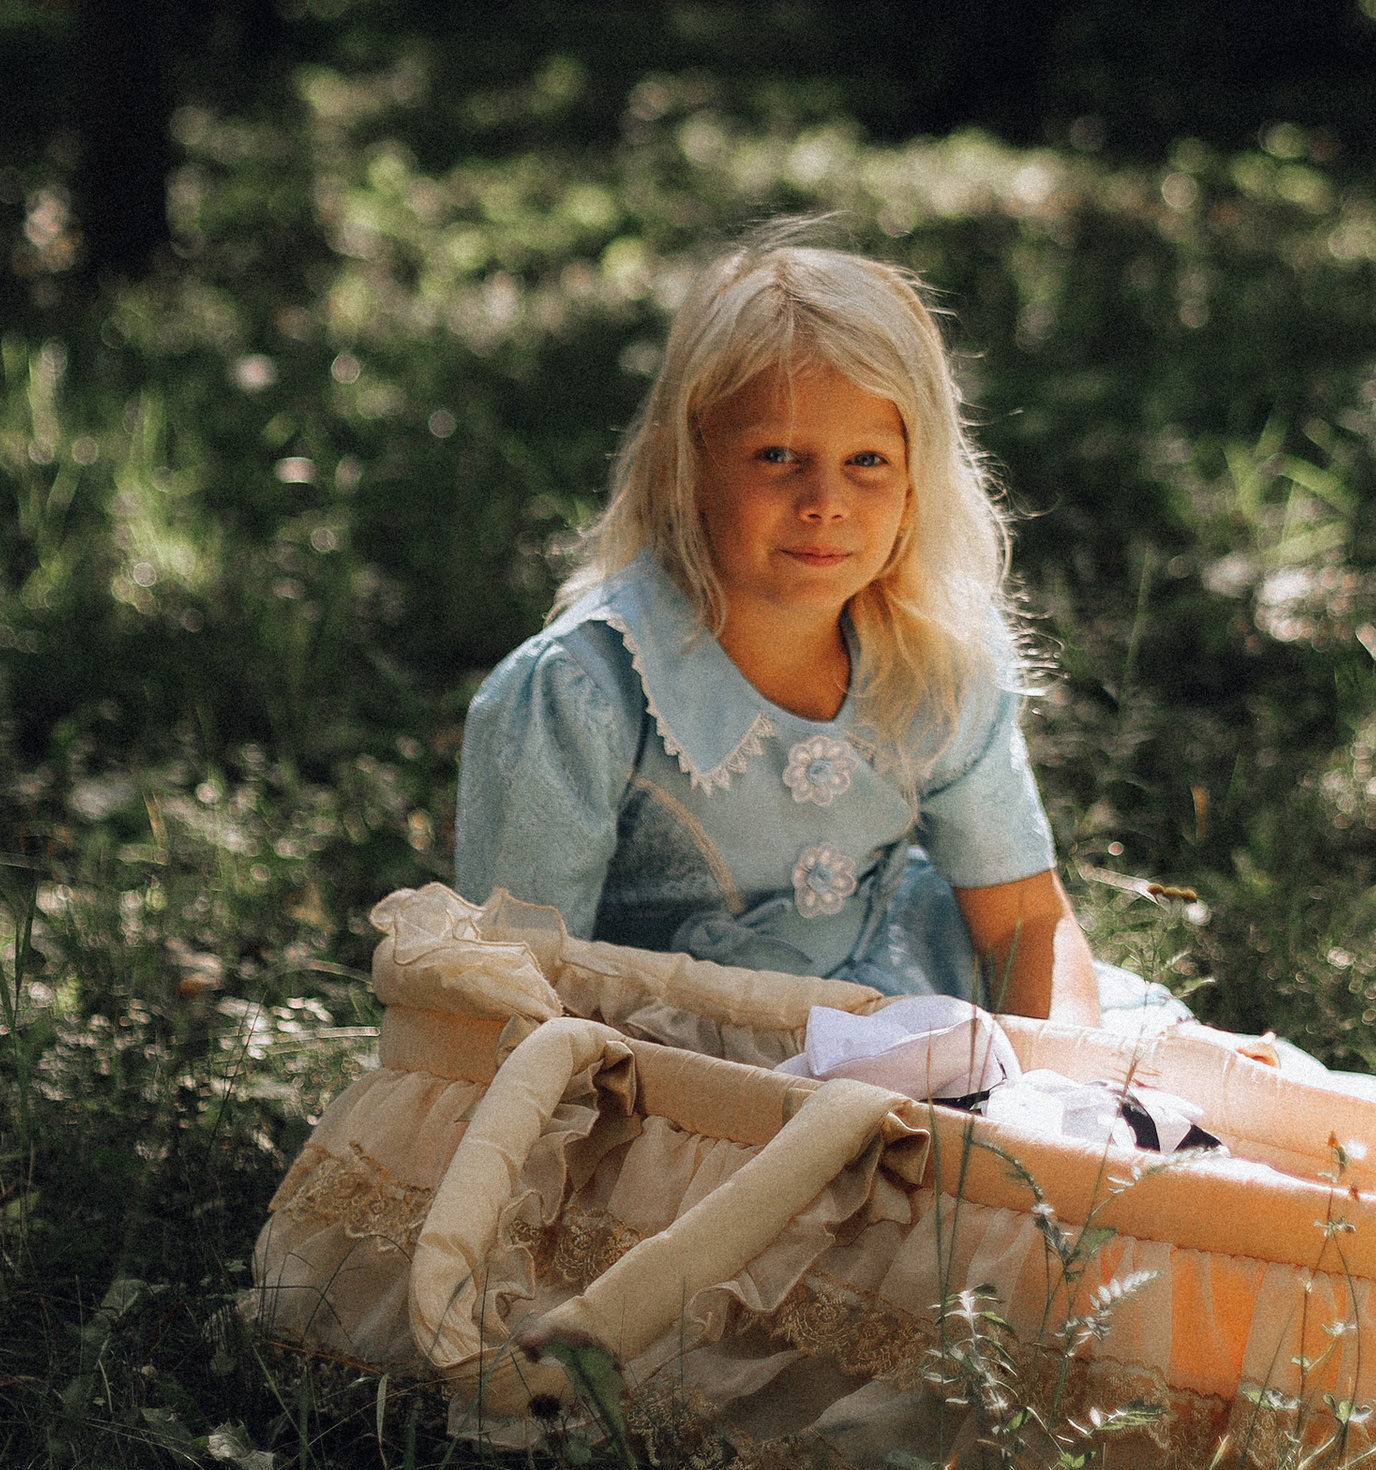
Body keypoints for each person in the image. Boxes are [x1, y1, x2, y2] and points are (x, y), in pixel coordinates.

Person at [453, 231, 1128, 1023]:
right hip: (655, 1063)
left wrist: (1061, 1093)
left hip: (906, 999)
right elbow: (514, 989)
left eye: (868, 461)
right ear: (689, 465)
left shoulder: (938, 657)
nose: (825, 501)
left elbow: (1023, 923)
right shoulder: (582, 694)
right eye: (777, 454)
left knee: (1188, 1108)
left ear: (918, 482)